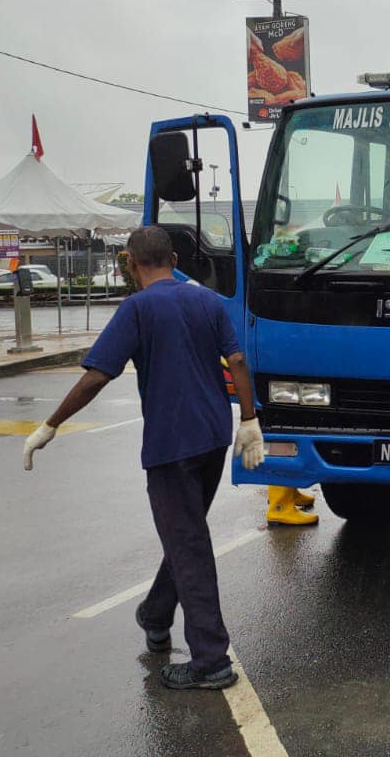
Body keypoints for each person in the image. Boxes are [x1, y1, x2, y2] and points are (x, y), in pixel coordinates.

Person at [23, 225, 264, 692]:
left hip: (171, 446)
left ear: (131, 263)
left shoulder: (136, 308)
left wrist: (50, 424)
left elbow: (96, 377)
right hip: (214, 438)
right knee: (187, 530)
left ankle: (211, 660)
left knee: (188, 543)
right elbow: (236, 362)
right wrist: (249, 420)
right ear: (173, 258)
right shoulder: (209, 301)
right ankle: (155, 614)